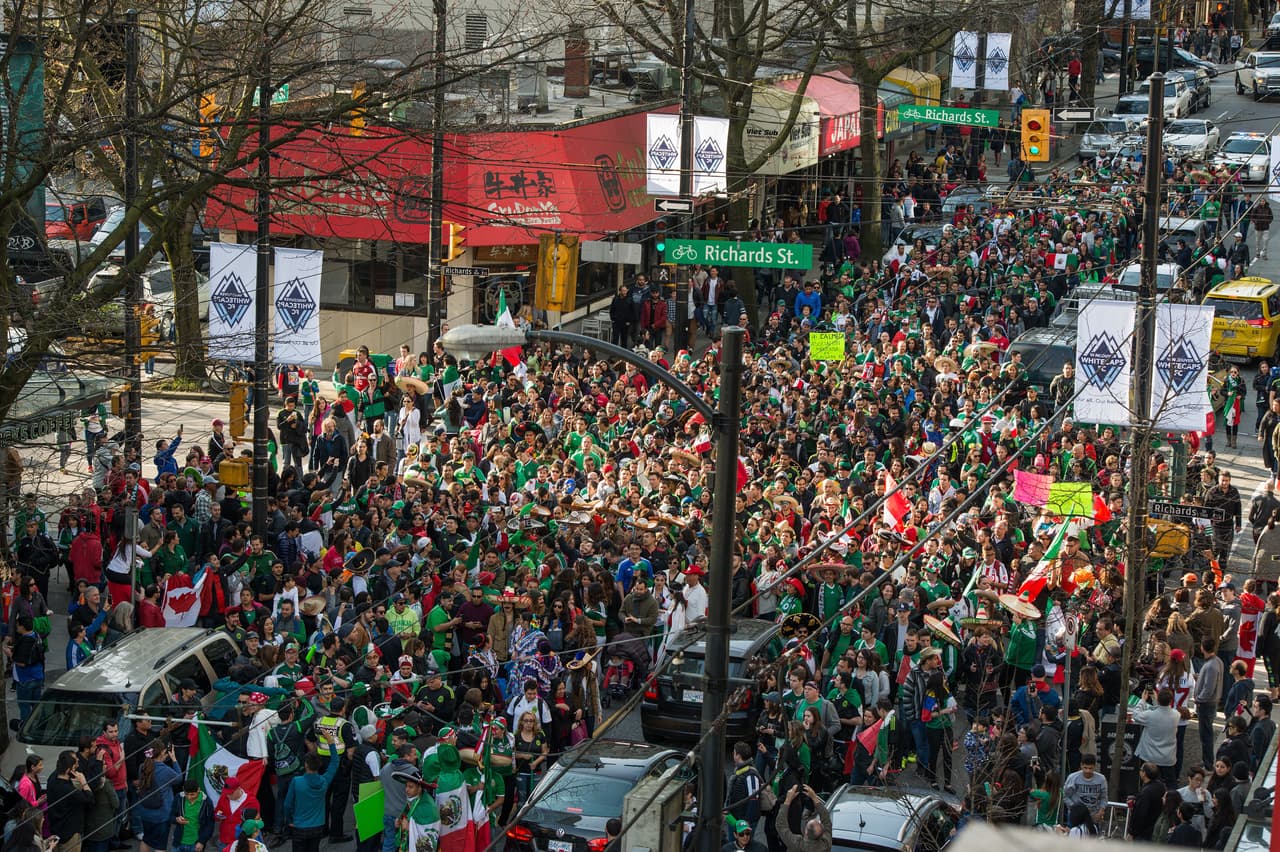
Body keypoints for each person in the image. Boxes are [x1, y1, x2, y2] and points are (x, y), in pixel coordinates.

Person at [283, 739, 340, 852]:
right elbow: (335, 762)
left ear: (306, 765)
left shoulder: (297, 781)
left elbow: (287, 805)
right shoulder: (324, 781)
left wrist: (290, 820)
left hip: (299, 826)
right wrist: (331, 743)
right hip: (317, 826)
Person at [774, 785, 831, 852]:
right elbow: (826, 819)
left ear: (806, 832)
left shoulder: (797, 844)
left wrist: (788, 799)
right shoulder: (825, 844)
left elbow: (780, 825)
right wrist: (814, 797)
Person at [1062, 753, 1107, 828]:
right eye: (1085, 768)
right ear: (1081, 765)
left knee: (1091, 838)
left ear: (1094, 766)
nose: (1088, 771)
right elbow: (1065, 796)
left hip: (1093, 816)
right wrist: (1075, 808)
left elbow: (1104, 797)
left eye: (1090, 768)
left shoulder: (1101, 779)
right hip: (1075, 816)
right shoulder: (1073, 777)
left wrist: (1101, 811)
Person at [1129, 762, 1167, 841]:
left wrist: (1132, 832)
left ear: (1144, 773)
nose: (1139, 771)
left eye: (1141, 770)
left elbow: (1140, 814)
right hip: (1156, 830)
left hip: (1143, 834)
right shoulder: (1161, 786)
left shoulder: (1146, 792)